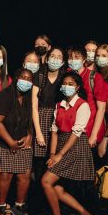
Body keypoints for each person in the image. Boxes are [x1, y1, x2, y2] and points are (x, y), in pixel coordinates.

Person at [40, 73, 97, 215]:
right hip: (60, 144)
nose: (67, 86)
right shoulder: (59, 105)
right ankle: (86, 214)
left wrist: (59, 155)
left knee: (46, 181)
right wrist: (52, 153)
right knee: (57, 188)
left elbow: (76, 133)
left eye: (71, 83)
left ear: (78, 87)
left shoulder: (83, 105)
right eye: (64, 83)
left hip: (74, 146)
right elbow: (54, 130)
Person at [0, 67, 34, 212]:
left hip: (21, 142)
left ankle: (19, 207)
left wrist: (29, 136)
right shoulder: (5, 96)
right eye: (23, 77)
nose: (26, 81)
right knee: (6, 175)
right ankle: (1, 207)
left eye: (29, 79)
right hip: (4, 143)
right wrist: (10, 143)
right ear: (16, 79)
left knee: (24, 176)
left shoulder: (27, 97)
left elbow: (28, 120)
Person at [32, 48, 64, 187]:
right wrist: (38, 133)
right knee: (39, 164)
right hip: (40, 120)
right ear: (47, 58)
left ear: (63, 62)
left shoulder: (64, 77)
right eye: (52, 56)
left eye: (59, 57)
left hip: (58, 120)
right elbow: (34, 105)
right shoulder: (39, 75)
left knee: (54, 161)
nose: (55, 59)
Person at [77, 46, 108, 150]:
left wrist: (93, 135)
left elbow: (104, 108)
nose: (90, 53)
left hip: (94, 127)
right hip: (78, 128)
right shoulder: (75, 74)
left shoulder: (97, 77)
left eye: (104, 55)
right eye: (87, 50)